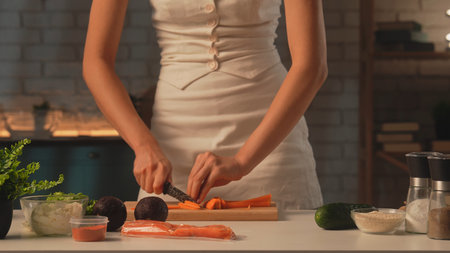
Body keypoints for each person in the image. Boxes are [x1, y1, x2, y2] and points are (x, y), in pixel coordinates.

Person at [83, 0, 327, 210]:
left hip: (271, 149)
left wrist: (243, 161)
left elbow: (311, 66)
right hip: (173, 153)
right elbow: (96, 62)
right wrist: (143, 145)